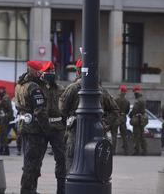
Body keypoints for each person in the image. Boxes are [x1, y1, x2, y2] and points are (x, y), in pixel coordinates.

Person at [60, 58, 119, 172]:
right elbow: (115, 110)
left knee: (72, 167)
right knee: (96, 166)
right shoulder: (101, 90)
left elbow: (62, 109)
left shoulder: (72, 88)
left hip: (75, 134)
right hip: (97, 134)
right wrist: (105, 123)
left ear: (77, 71)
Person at [14, 60, 50, 194]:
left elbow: (18, 106)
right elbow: (39, 111)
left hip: (24, 126)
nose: (41, 73)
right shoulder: (34, 87)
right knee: (33, 163)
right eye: (39, 71)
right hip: (35, 129)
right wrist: (47, 129)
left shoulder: (19, 85)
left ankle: (30, 189)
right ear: (34, 71)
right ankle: (27, 190)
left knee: (28, 159)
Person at [39, 61, 66, 194]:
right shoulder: (38, 88)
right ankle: (31, 188)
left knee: (61, 159)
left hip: (57, 127)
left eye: (53, 71)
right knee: (36, 159)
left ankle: (61, 190)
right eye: (48, 72)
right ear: (42, 74)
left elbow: (66, 107)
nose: (51, 74)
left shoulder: (61, 89)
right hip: (41, 127)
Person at [129, 85, 148, 156]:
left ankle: (136, 151)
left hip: (137, 120)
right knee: (142, 135)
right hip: (142, 119)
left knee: (136, 136)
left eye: (134, 93)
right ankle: (144, 150)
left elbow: (134, 110)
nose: (134, 94)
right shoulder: (142, 99)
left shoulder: (138, 100)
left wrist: (130, 115)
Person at [0, 86, 14, 155]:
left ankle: (6, 150)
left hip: (5, 119)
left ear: (3, 90)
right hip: (2, 118)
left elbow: (9, 110)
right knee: (1, 135)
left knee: (3, 135)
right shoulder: (3, 98)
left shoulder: (5, 98)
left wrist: (6, 117)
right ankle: (1, 149)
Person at [114, 85, 131, 155]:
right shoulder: (127, 101)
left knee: (114, 134)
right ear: (125, 92)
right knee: (124, 135)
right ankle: (126, 151)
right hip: (123, 118)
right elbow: (127, 111)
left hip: (116, 117)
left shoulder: (116, 99)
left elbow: (113, 108)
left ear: (120, 91)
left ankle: (113, 151)